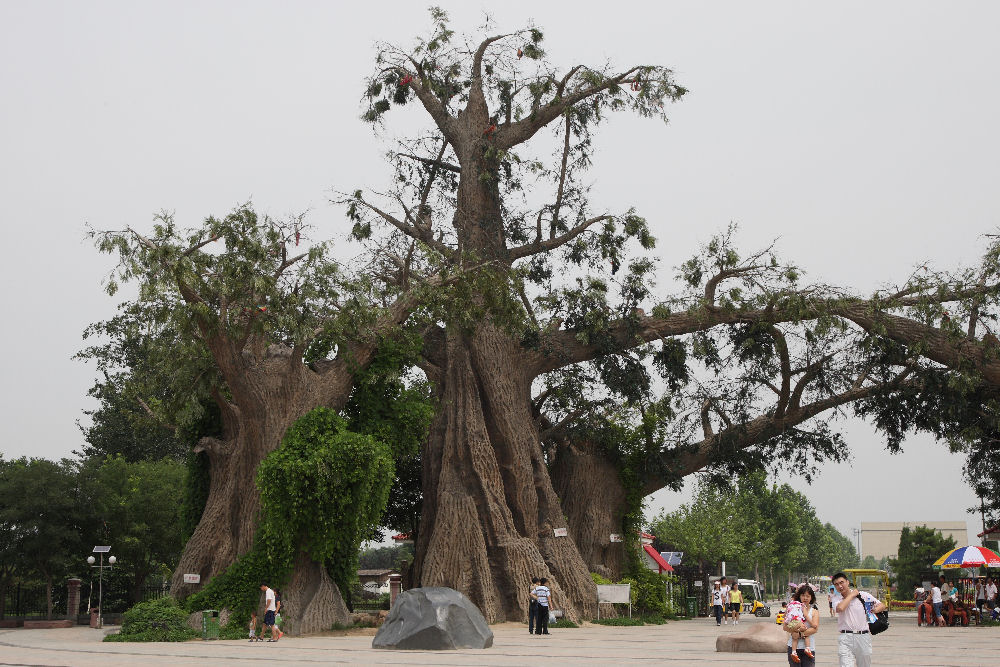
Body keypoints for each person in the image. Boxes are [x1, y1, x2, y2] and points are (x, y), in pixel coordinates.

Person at [832, 571, 886, 667]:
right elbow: (840, 608)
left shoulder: (863, 595)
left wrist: (875, 610)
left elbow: (882, 605)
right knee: (845, 664)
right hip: (845, 637)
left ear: (847, 582)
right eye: (836, 584)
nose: (840, 586)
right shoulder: (836, 599)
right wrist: (852, 595)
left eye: (841, 582)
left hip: (863, 636)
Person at [785, 583, 819, 666]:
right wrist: (794, 630)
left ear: (812, 598)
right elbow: (785, 627)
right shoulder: (792, 608)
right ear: (799, 596)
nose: (805, 598)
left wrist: (800, 634)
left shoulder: (814, 611)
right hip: (793, 647)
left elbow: (815, 629)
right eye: (803, 595)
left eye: (808, 596)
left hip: (809, 648)